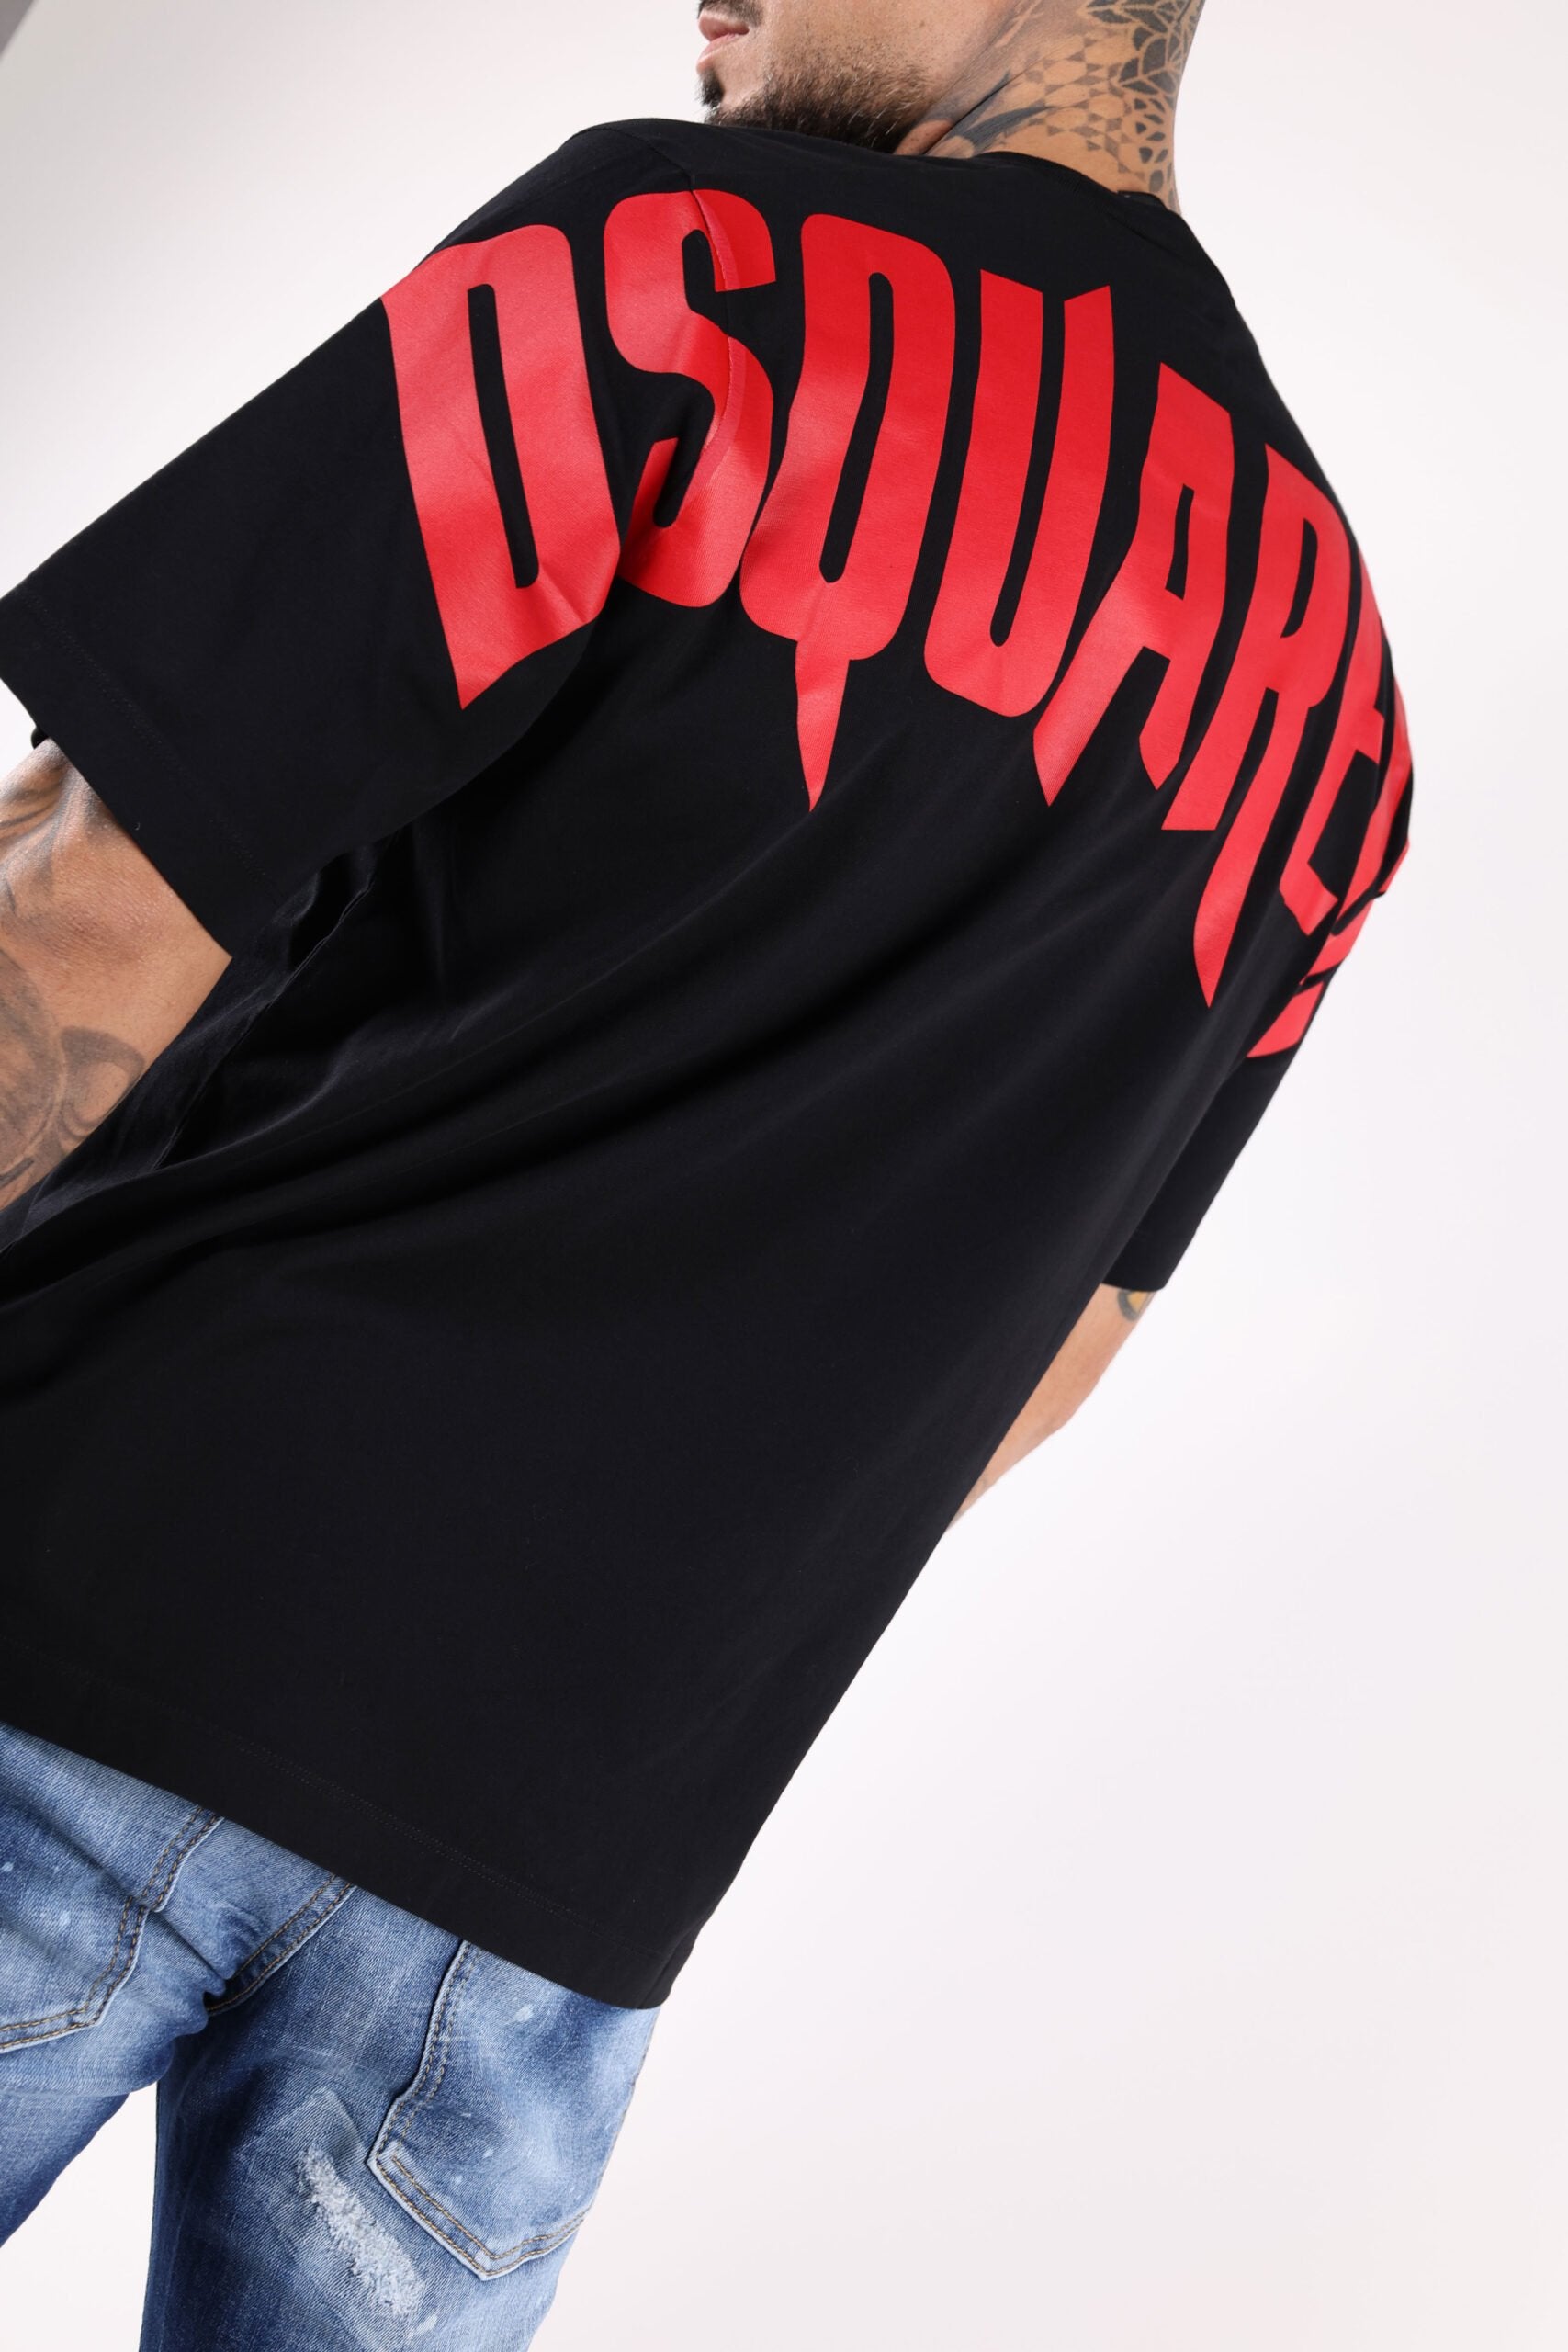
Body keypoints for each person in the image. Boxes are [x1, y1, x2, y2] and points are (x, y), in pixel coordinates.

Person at [0, 0, 1414, 2342]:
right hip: (543, 1916)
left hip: (93, 1613)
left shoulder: (684, 264)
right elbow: (1041, 1358)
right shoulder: (1339, 706)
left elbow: (84, 912)